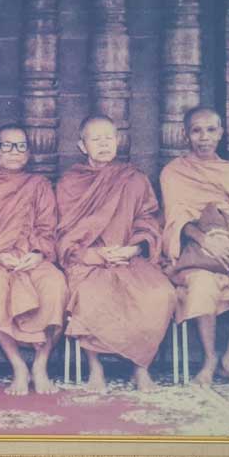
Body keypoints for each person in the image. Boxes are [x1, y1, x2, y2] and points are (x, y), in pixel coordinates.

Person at [57, 115, 175, 392]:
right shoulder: (70, 183)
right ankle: (95, 369)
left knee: (160, 293)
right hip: (88, 259)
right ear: (82, 145)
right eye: (95, 139)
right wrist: (97, 254)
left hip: (129, 256)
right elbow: (65, 231)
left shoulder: (134, 179)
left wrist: (133, 248)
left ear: (118, 141)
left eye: (108, 138)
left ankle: (140, 367)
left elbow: (148, 219)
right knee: (89, 295)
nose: (103, 144)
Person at [160, 106, 229, 387]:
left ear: (221, 132)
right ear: (185, 135)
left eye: (211, 130)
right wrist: (204, 240)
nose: (204, 137)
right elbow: (176, 217)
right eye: (196, 131)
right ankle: (209, 359)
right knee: (202, 286)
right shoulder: (173, 172)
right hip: (195, 253)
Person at [0, 124, 67, 395]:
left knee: (55, 285)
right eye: (7, 145)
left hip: (30, 258)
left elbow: (48, 228)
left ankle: (40, 365)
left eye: (21, 146)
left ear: (28, 153)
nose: (15, 151)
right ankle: (18, 366)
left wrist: (37, 254)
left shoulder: (39, 185)